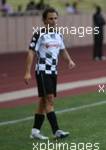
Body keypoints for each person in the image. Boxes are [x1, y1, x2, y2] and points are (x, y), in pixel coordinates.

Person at [24, 7, 76, 140]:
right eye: (50, 18)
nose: (53, 21)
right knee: (49, 99)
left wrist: (69, 60)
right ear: (44, 20)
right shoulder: (39, 34)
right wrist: (27, 72)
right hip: (42, 71)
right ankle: (56, 131)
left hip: (53, 71)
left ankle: (35, 131)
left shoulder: (58, 34)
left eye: (55, 18)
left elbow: (63, 50)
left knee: (43, 100)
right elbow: (31, 52)